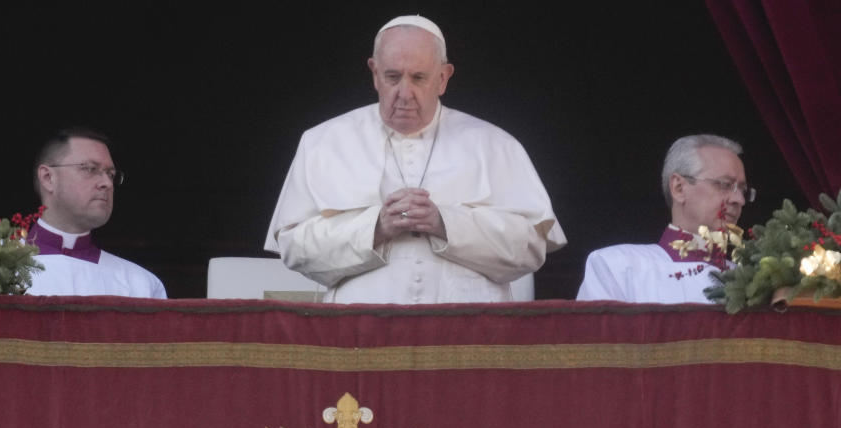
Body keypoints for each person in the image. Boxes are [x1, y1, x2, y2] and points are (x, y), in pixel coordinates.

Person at [264, 15, 565, 304]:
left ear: (443, 77)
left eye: (419, 78)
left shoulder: (495, 145)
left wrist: (446, 223)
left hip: (467, 337)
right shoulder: (323, 142)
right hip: (360, 335)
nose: (404, 93)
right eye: (392, 77)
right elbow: (293, 247)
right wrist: (375, 228)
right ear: (374, 73)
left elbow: (530, 248)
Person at [577, 134, 753, 304]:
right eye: (724, 185)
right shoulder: (616, 267)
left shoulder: (754, 282)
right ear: (678, 188)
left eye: (743, 190)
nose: (739, 200)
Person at [25, 127, 167, 298]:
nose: (107, 183)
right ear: (48, 178)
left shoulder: (139, 284)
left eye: (111, 174)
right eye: (90, 169)